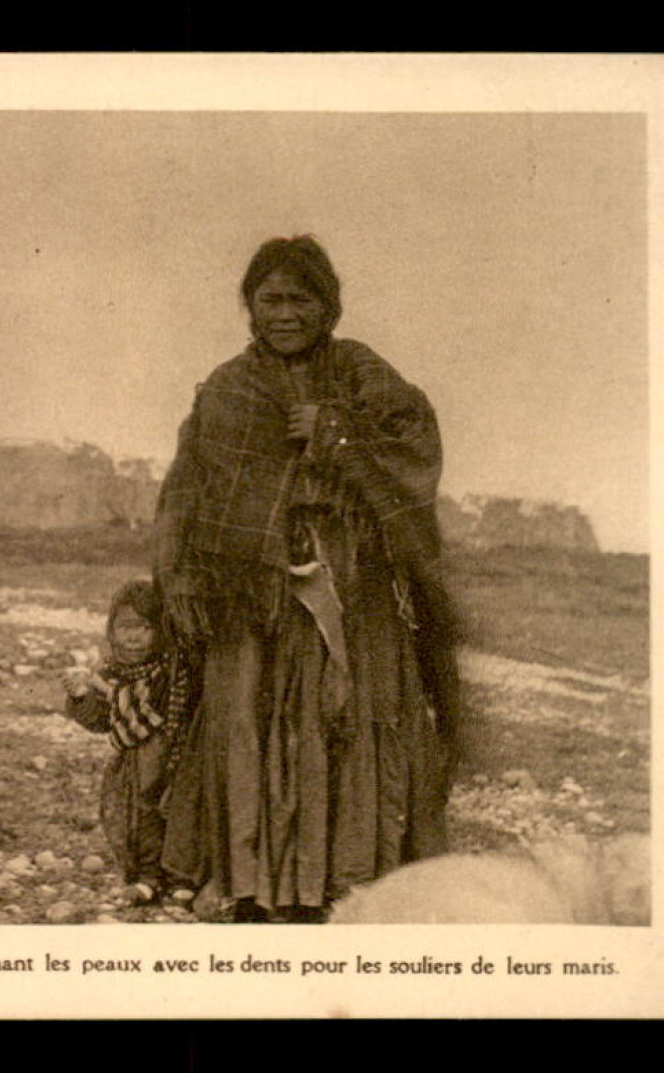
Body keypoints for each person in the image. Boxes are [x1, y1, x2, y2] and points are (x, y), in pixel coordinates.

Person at [153, 236, 462, 923]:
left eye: (300, 298)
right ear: (249, 306)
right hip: (247, 591)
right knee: (247, 717)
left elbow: (416, 441)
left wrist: (336, 430)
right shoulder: (227, 387)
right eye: (270, 299)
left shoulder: (357, 369)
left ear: (328, 306)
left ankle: (341, 876)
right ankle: (252, 881)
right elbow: (186, 487)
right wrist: (177, 575)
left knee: (343, 720)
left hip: (350, 585)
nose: (284, 313)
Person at [62, 578, 201, 906]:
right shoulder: (111, 673)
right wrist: (82, 696)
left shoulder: (170, 671)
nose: (134, 636)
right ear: (112, 630)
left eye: (144, 627)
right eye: (125, 627)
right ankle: (147, 879)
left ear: (161, 630)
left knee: (176, 813)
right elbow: (101, 720)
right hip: (132, 764)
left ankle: (181, 877)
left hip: (171, 757)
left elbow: (169, 710)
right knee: (138, 820)